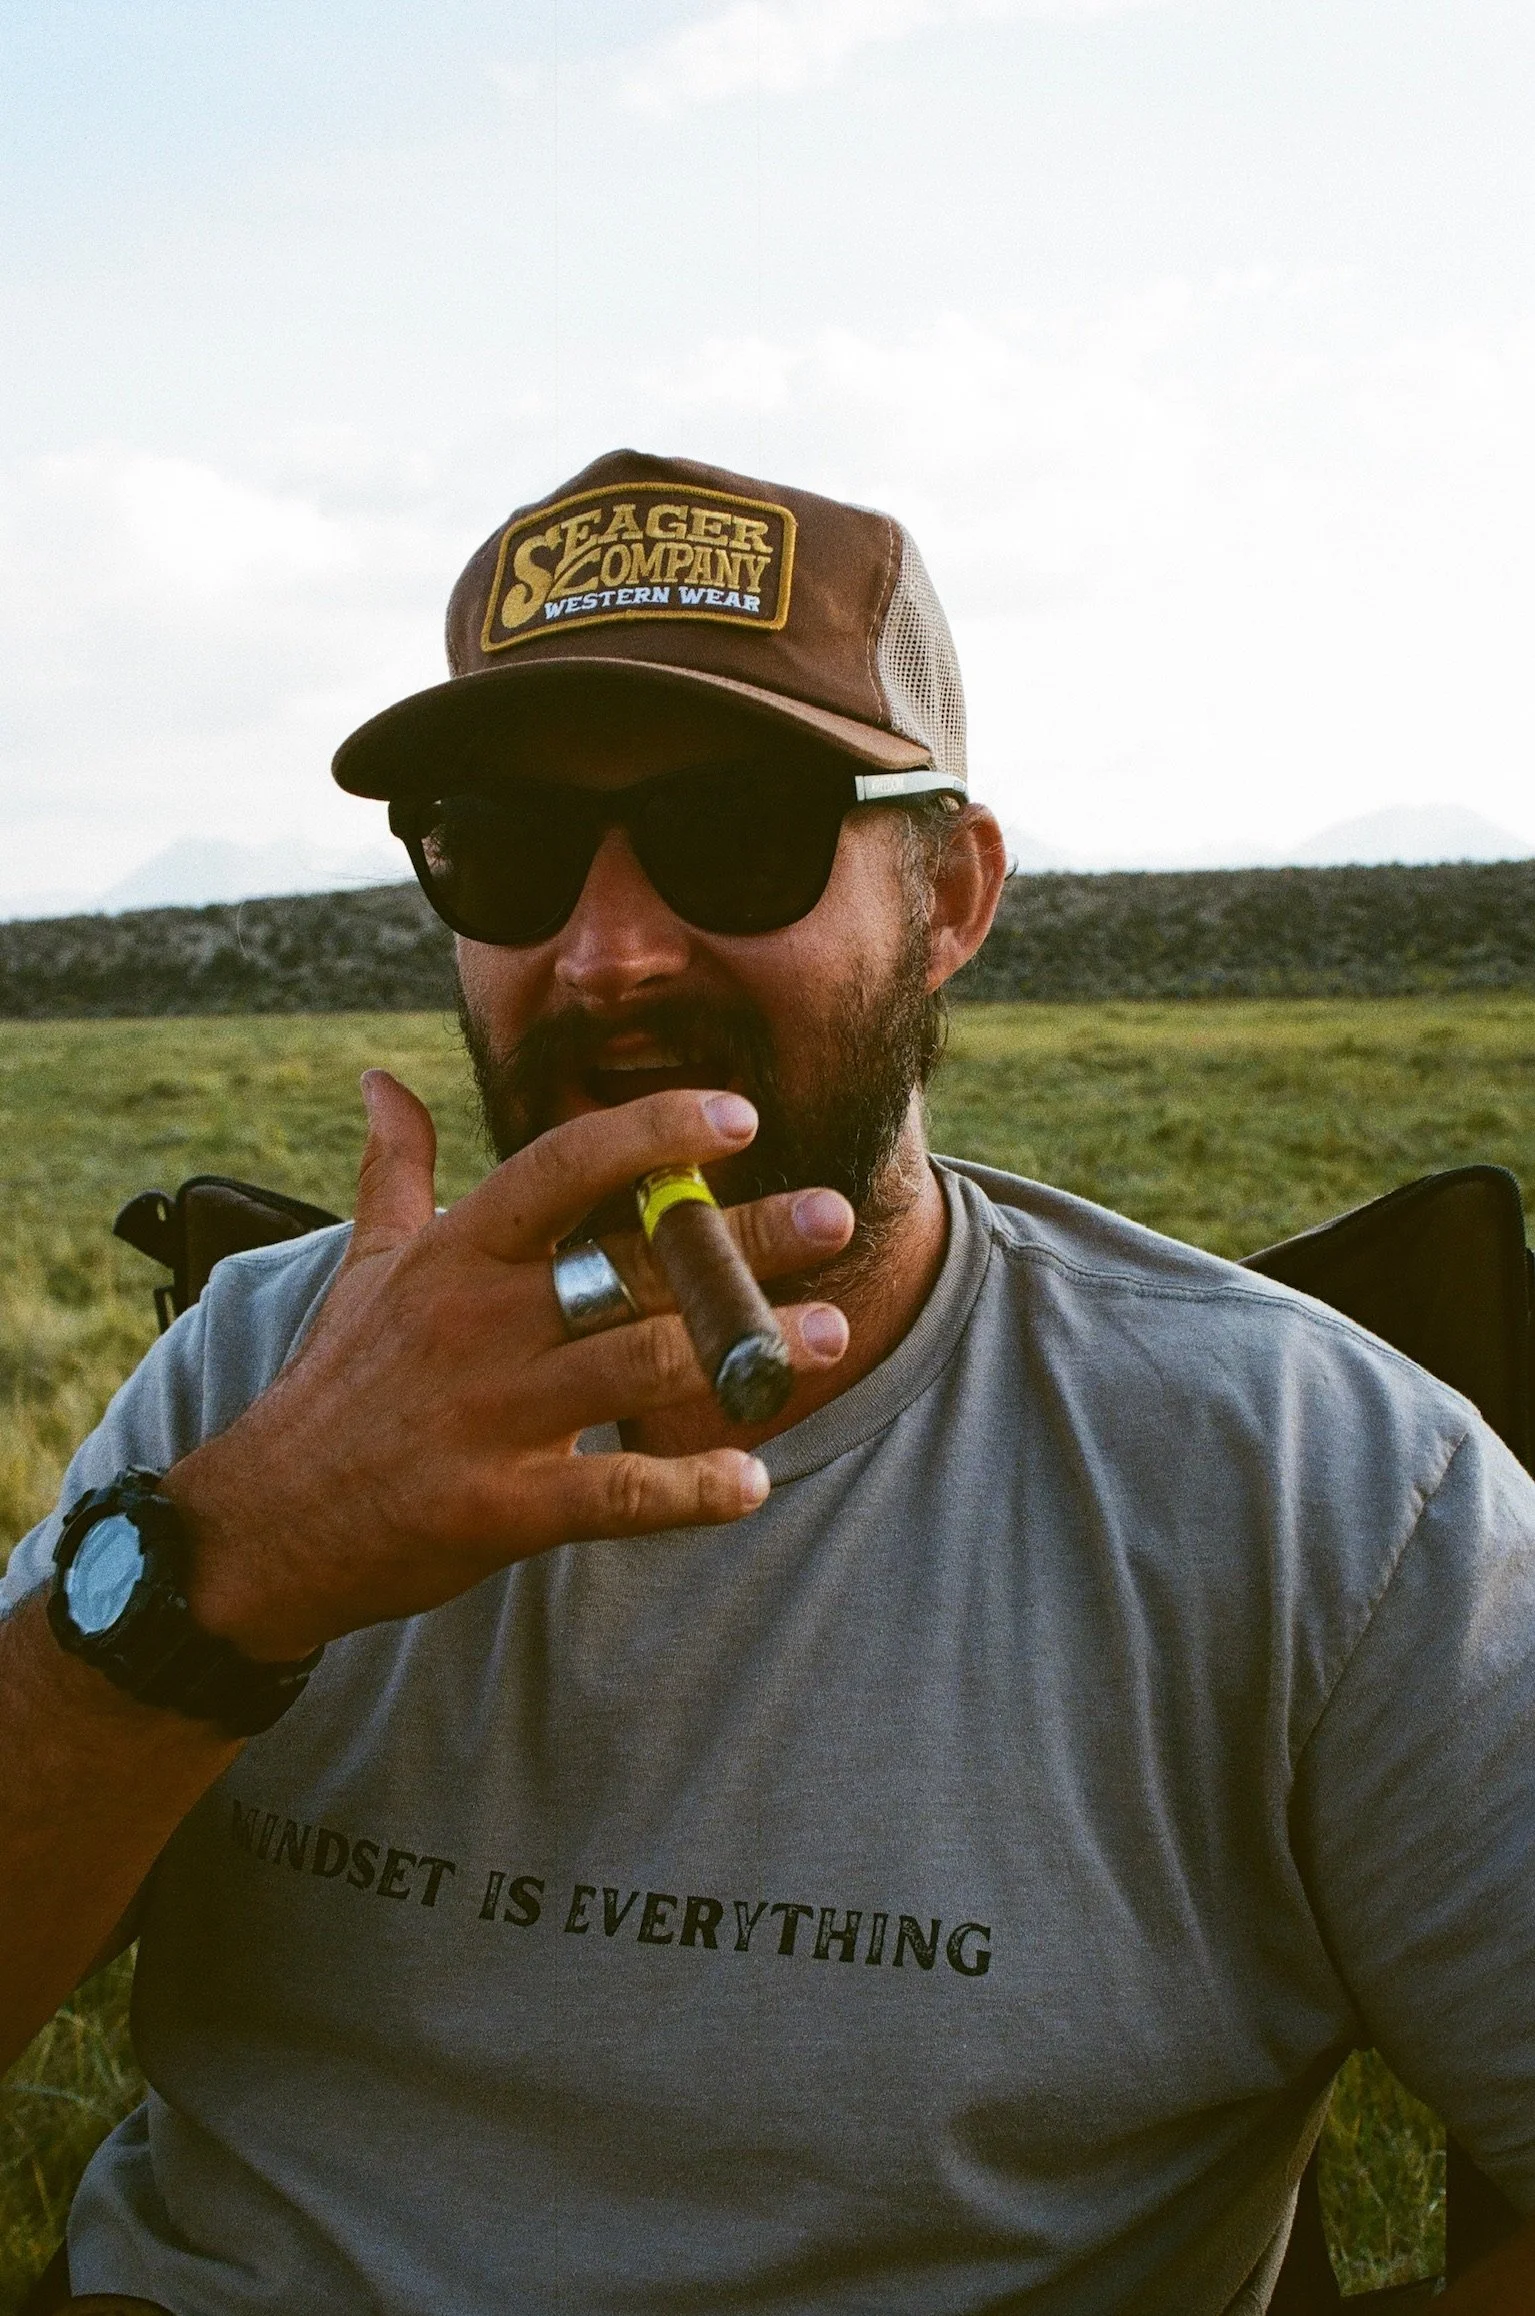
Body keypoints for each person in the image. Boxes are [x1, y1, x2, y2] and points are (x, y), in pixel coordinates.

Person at [2, 448, 1533, 2316]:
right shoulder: (259, 1364)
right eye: (503, 845)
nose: (608, 952)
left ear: (952, 894)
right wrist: (228, 1565)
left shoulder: (1324, 1494)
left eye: (742, 831)